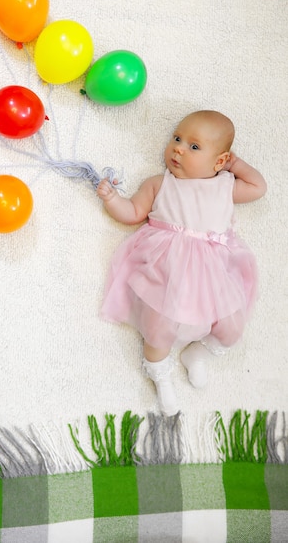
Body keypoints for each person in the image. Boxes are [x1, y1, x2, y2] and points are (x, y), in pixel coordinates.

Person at [97, 110, 267, 416]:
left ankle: (198, 355)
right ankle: (161, 376)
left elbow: (258, 188)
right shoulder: (159, 183)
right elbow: (133, 212)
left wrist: (236, 165)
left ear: (219, 161)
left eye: (194, 146)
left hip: (213, 274)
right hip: (167, 268)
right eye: (177, 138)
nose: (178, 148)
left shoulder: (226, 184)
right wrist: (112, 199)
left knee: (230, 327)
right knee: (159, 327)